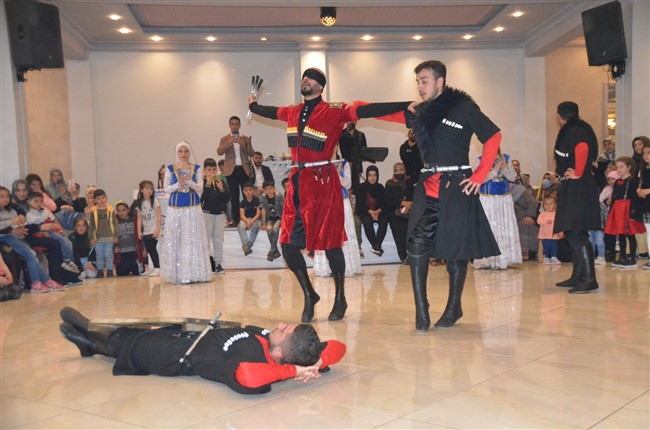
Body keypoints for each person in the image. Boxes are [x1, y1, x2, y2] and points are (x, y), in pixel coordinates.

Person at [249, 67, 410, 323]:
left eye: (311, 78)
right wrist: (254, 106)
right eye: (304, 77)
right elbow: (271, 111)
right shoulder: (292, 111)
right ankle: (309, 294)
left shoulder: (335, 110)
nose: (305, 79)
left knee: (332, 243)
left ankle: (340, 298)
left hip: (323, 182)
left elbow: (367, 109)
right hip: (297, 183)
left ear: (320, 87)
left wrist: (404, 106)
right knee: (287, 245)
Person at [403, 60, 502, 331]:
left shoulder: (463, 107)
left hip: (457, 185)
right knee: (416, 243)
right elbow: (387, 113)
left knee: (456, 250)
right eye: (417, 82)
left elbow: (493, 136)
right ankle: (421, 309)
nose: (420, 86)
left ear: (440, 81)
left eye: (424, 81)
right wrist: (355, 109)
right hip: (428, 185)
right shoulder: (420, 110)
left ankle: (453, 306)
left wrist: (479, 175)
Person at [58, 307, 346, 395]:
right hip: (195, 335)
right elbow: (338, 347)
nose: (280, 324)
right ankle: (91, 332)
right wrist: (314, 364)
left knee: (132, 344)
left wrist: (291, 371)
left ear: (280, 353)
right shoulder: (301, 351)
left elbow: (247, 376)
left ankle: (91, 342)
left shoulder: (259, 369)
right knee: (145, 328)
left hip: (179, 357)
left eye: (284, 330)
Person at [553, 101, 601, 294]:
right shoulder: (578, 128)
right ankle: (578, 275)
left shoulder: (574, 130)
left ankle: (589, 279)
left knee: (576, 230)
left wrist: (578, 172)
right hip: (576, 185)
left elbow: (582, 148)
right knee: (573, 230)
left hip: (578, 186)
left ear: (559, 116)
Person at [160, 141, 212, 284]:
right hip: (175, 209)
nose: (183, 154)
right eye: (180, 151)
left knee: (191, 239)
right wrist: (178, 184)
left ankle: (192, 273)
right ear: (177, 153)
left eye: (186, 151)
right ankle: (177, 273)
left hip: (192, 208)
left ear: (189, 152)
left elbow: (200, 188)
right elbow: (166, 188)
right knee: (176, 239)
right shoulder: (170, 169)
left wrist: (189, 182)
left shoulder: (197, 168)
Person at [0, 186, 65, 293]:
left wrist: (20, 226)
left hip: (16, 237)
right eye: (2, 197)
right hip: (4, 237)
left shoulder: (11, 210)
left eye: (7, 196)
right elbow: (7, 225)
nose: (5, 199)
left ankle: (46, 280)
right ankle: (36, 283)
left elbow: (19, 223)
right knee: (30, 253)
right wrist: (11, 223)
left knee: (32, 254)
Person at [473, 151, 522, 270]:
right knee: (489, 227)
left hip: (504, 199)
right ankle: (487, 260)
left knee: (504, 227)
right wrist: (494, 170)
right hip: (487, 198)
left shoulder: (506, 158)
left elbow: (513, 177)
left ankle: (505, 259)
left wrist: (504, 168)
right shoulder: (480, 159)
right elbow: (478, 179)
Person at [314, 158, 362, 277]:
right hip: (326, 202)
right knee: (327, 234)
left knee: (344, 232)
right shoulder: (321, 163)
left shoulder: (343, 163)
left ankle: (346, 267)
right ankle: (327, 268)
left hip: (342, 202)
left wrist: (337, 176)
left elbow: (348, 184)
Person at [605, 156, 646, 268]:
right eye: (617, 167)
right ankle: (622, 257)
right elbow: (614, 197)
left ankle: (632, 258)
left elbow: (635, 197)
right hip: (618, 209)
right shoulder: (617, 182)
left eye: (621, 167)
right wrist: (611, 211)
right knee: (621, 234)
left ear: (629, 167)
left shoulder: (633, 181)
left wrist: (633, 211)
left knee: (630, 234)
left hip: (627, 209)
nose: (618, 169)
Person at [25, 191, 80, 273]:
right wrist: (42, 233)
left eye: (41, 201)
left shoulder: (45, 210)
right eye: (36, 201)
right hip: (40, 234)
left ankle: (69, 261)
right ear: (29, 202)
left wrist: (58, 229)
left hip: (50, 230)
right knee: (62, 241)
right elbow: (31, 230)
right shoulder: (29, 215)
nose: (39, 203)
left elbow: (54, 221)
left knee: (67, 241)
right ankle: (67, 260)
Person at [217, 116, 254, 225]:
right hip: (231, 171)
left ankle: (248, 216)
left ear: (239, 125)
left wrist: (242, 145)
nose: (234, 126)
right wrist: (230, 142)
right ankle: (236, 219)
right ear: (229, 125)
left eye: (236, 124)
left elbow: (252, 153)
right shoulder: (224, 139)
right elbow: (219, 151)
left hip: (244, 169)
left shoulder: (245, 139)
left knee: (247, 194)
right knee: (234, 195)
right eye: (232, 124)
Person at [201, 158, 230, 274]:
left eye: (214, 170)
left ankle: (218, 264)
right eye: (209, 170)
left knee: (218, 240)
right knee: (206, 240)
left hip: (220, 214)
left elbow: (227, 198)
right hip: (206, 213)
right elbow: (202, 199)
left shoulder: (220, 181)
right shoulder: (201, 182)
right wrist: (208, 184)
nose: (212, 172)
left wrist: (222, 189)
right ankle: (205, 264)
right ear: (204, 171)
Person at [356, 165, 388, 256]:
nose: (372, 178)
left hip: (379, 212)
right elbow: (359, 204)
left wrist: (378, 211)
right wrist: (370, 211)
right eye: (370, 175)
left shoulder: (380, 187)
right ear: (367, 176)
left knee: (384, 220)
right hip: (366, 212)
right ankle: (375, 246)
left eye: (374, 175)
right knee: (367, 221)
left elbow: (384, 202)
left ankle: (377, 245)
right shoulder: (361, 187)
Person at [384, 162, 413, 263]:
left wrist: (408, 205)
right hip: (395, 213)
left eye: (401, 170)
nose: (399, 172)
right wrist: (401, 203)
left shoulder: (410, 182)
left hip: (410, 211)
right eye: (396, 170)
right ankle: (403, 257)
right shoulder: (389, 183)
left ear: (405, 170)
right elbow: (388, 201)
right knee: (399, 233)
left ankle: (413, 255)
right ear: (393, 172)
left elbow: (415, 196)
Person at [131, 180, 162, 277]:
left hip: (153, 229)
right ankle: (151, 268)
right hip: (146, 230)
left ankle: (157, 268)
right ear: (141, 190)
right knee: (148, 249)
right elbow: (139, 218)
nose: (149, 191)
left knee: (152, 248)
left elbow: (159, 216)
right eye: (147, 188)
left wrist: (157, 229)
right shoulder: (139, 203)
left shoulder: (154, 201)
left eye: (151, 189)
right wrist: (139, 230)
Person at [88, 189, 117, 278]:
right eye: (98, 198)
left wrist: (115, 235)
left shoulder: (111, 210)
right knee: (99, 255)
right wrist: (91, 237)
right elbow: (92, 225)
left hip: (109, 236)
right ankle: (100, 270)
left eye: (103, 198)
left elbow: (114, 224)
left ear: (106, 198)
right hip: (98, 237)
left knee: (109, 254)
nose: (101, 200)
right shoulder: (93, 211)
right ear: (95, 200)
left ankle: (109, 270)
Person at [511, 184, 539, 262]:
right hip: (513, 218)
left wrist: (529, 215)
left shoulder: (519, 190)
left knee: (525, 224)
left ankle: (526, 252)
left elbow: (532, 202)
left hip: (524, 216)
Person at [338, 122, 367, 192]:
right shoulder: (340, 134)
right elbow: (338, 151)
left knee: (355, 190)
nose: (351, 121)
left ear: (356, 121)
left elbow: (364, 152)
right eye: (349, 119)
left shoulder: (361, 135)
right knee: (344, 189)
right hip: (344, 167)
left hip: (356, 167)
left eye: (353, 119)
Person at [259, 180, 283, 262]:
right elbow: (263, 210)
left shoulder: (279, 196)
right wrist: (264, 223)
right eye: (266, 189)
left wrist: (284, 221)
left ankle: (272, 250)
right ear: (264, 190)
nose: (269, 190)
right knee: (269, 230)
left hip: (279, 218)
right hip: (269, 218)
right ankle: (275, 250)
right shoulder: (262, 197)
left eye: (270, 188)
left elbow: (283, 208)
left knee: (275, 228)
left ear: (274, 188)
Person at [114, 202, 140, 277]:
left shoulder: (134, 220)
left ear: (128, 210)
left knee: (138, 272)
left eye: (123, 210)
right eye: (119, 211)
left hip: (134, 251)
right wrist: (115, 247)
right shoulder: (115, 222)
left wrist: (141, 248)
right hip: (122, 252)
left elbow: (140, 235)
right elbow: (113, 236)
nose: (121, 213)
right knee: (121, 273)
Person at [237, 183, 262, 256]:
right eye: (246, 190)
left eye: (250, 190)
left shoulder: (257, 200)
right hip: (246, 219)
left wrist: (251, 222)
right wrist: (247, 221)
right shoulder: (243, 202)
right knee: (240, 226)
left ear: (253, 190)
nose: (248, 192)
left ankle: (248, 245)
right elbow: (242, 215)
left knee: (256, 226)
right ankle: (246, 244)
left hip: (256, 219)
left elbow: (258, 214)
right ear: (243, 192)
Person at [537, 196, 562, 265]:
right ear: (543, 205)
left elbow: (559, 223)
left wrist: (560, 232)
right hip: (545, 235)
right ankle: (545, 257)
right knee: (546, 246)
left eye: (550, 204)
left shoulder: (556, 214)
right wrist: (546, 221)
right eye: (546, 204)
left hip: (554, 234)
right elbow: (539, 221)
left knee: (554, 246)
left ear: (555, 205)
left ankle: (554, 257)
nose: (548, 206)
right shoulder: (542, 213)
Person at [637, 144, 650, 270]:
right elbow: (640, 183)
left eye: (649, 152)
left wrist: (647, 191)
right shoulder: (644, 169)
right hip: (646, 204)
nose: (646, 156)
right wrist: (639, 190)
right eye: (644, 153)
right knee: (649, 233)